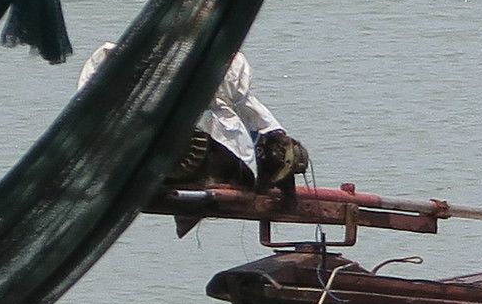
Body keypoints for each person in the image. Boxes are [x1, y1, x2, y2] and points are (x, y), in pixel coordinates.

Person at [78, 42, 309, 194]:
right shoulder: (226, 61)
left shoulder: (147, 54)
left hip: (152, 148)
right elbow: (244, 103)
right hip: (194, 147)